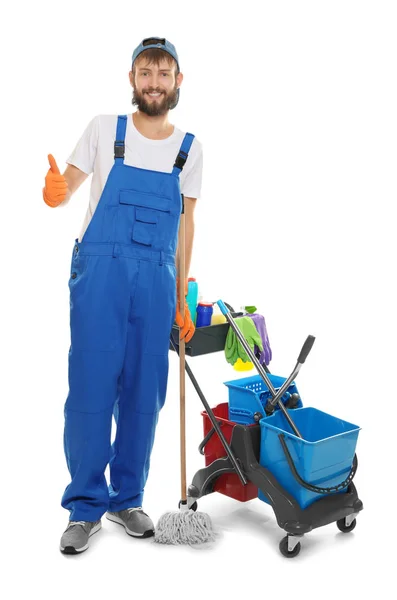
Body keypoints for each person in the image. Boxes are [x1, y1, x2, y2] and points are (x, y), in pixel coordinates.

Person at [42, 37, 203, 554]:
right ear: (132, 79)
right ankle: (85, 506)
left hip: (156, 281)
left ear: (178, 81)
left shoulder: (190, 149)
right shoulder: (103, 130)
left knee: (143, 395)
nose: (153, 82)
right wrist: (55, 190)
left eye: (163, 73)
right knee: (91, 390)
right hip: (101, 276)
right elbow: (66, 186)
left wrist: (182, 295)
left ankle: (126, 498)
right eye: (144, 72)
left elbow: (186, 224)